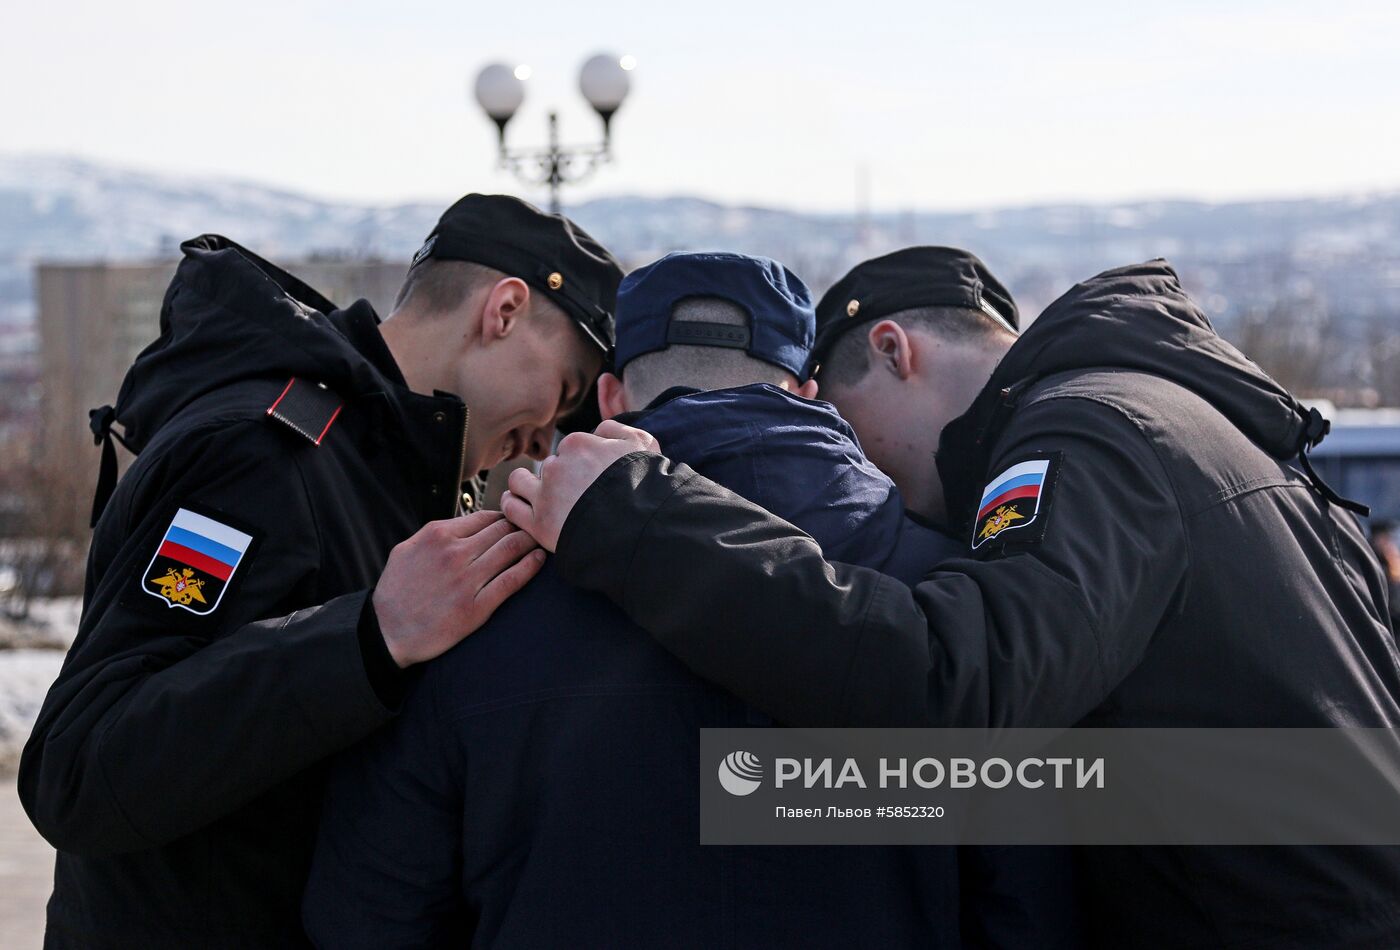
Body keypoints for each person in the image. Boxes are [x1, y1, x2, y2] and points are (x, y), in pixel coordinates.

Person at [503, 248, 1400, 948]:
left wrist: (641, 514)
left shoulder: (1089, 433)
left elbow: (957, 695)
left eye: (847, 429)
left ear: (894, 352)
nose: (865, 472)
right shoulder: (1182, 423)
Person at [303, 251, 1079, 949]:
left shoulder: (472, 594)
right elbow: (1027, 904)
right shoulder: (952, 594)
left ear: (608, 397)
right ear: (809, 393)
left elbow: (369, 912)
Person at [19, 194, 623, 949]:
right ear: (502, 311)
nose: (544, 441)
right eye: (563, 393)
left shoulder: (398, 474)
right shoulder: (258, 453)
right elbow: (80, 771)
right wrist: (369, 639)